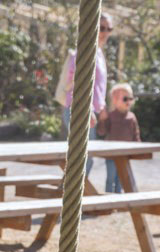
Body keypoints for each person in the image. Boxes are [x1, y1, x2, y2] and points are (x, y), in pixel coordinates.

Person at [53, 13, 113, 183]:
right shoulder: (84, 52)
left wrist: (101, 109)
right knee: (84, 158)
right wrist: (88, 110)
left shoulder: (99, 53)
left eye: (109, 28)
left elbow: (97, 87)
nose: (105, 32)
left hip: (91, 111)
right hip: (79, 109)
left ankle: (71, 198)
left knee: (84, 157)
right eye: (101, 28)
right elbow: (77, 83)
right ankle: (68, 199)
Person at [95, 82, 139, 194]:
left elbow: (136, 134)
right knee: (111, 178)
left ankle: (118, 200)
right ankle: (107, 200)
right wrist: (102, 120)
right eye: (125, 99)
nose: (128, 101)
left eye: (130, 98)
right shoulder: (110, 116)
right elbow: (101, 132)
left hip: (124, 155)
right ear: (115, 101)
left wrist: (139, 149)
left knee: (121, 179)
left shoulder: (132, 117)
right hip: (111, 154)